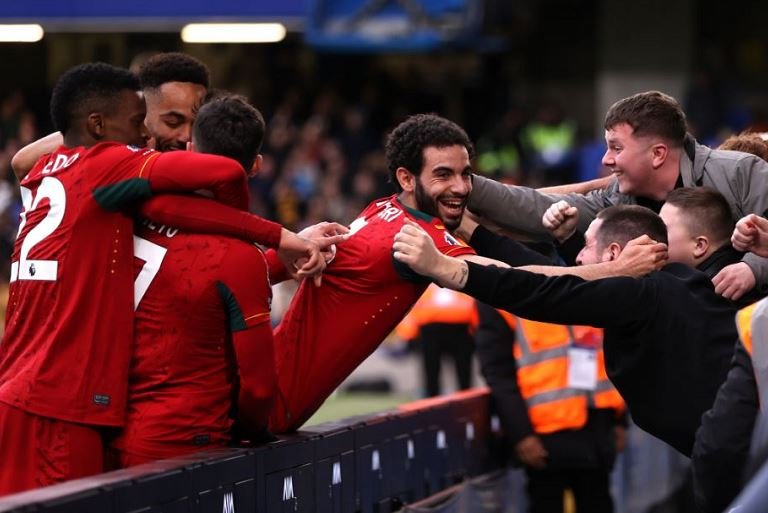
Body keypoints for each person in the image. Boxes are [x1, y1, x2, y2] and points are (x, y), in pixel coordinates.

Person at [267, 114, 663, 433]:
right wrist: (617, 269)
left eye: (465, 174)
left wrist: (603, 187)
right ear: (406, 178)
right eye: (444, 175)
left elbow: (521, 201)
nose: (460, 187)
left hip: (266, 388)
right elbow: (526, 282)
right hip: (266, 399)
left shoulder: (385, 208)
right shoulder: (421, 239)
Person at [0, 62, 264, 495]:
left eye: (195, 124)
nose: (186, 137)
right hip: (62, 403)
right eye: (168, 121)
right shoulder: (116, 166)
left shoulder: (64, 169)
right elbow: (224, 175)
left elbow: (21, 160)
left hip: (29, 391)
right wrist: (278, 237)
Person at [393, 204, 739, 456]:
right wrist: (472, 230)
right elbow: (551, 274)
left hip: (733, 446)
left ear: (615, 253)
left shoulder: (638, 292)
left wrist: (445, 267)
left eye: (585, 245)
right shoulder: (680, 283)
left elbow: (543, 291)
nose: (577, 257)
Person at [467, 90, 768, 302]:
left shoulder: (739, 172)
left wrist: (753, 268)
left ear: (658, 154)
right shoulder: (617, 199)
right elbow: (532, 207)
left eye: (616, 148)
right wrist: (463, 184)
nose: (606, 159)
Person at [109, 95, 279, 467]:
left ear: (189, 150)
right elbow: (260, 387)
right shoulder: (240, 256)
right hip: (185, 443)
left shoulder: (130, 217)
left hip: (109, 429)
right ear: (256, 166)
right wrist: (247, 431)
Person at [475, 306, 625, 513]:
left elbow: (612, 352)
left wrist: (619, 419)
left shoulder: (584, 286)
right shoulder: (500, 301)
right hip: (545, 438)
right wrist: (522, 435)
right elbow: (499, 374)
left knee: (598, 501)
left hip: (597, 428)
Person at [395, 284, 478, 397]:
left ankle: (466, 399)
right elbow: (413, 309)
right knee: (431, 371)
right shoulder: (425, 286)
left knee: (463, 371)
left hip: (461, 328)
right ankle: (432, 399)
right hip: (430, 329)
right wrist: (409, 334)